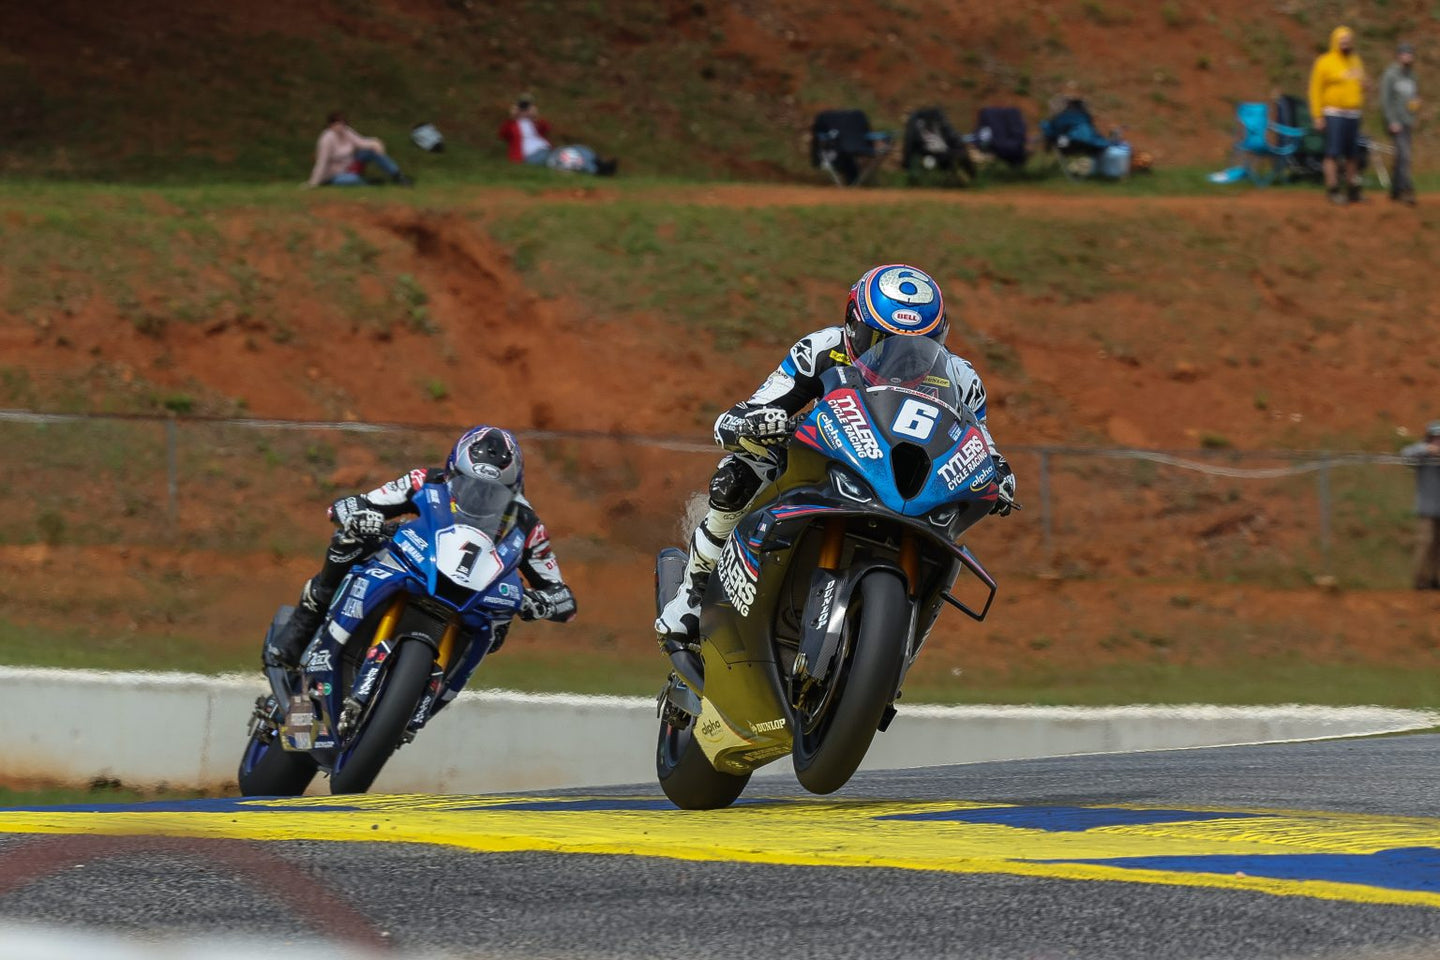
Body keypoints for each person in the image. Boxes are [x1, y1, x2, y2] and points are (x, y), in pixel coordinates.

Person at [654, 264, 1016, 652]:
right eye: (879, 340)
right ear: (852, 323)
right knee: (738, 474)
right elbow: (746, 411)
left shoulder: (962, 379)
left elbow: (982, 441)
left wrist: (1000, 473)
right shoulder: (820, 349)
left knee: (954, 534)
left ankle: (894, 651)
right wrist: (754, 422)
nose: (897, 357)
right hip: (831, 462)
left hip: (906, 481)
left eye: (917, 346)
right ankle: (695, 591)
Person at [264, 425, 577, 668]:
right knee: (350, 540)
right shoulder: (424, 480)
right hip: (420, 561)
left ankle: (430, 693)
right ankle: (304, 625)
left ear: (513, 491)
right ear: (452, 472)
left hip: (477, 593)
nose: (478, 497)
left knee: (499, 625)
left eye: (492, 493)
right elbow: (361, 503)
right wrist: (357, 514)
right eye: (469, 485)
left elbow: (562, 596)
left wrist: (540, 603)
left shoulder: (527, 524)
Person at [1309, 26, 1367, 205]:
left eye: (1348, 40)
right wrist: (1318, 116)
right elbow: (1315, 90)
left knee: (1352, 154)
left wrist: (1365, 87)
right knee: (1333, 153)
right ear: (1335, 42)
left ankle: (1352, 189)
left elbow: (1361, 82)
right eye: (1342, 41)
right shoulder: (1325, 62)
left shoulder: (1355, 61)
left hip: (1353, 113)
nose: (1346, 44)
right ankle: (1332, 189)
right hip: (1334, 113)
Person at [497, 95, 618, 176]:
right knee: (568, 156)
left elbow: (547, 128)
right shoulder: (512, 125)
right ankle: (597, 171)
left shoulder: (534, 123)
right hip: (532, 156)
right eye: (521, 108)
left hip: (547, 150)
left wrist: (534, 116)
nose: (523, 111)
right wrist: (512, 117)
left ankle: (600, 163)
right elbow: (503, 135)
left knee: (579, 148)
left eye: (526, 108)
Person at [305, 112, 413, 188]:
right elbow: (321, 162)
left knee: (371, 151)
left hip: (351, 165)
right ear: (330, 125)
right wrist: (313, 182)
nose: (340, 127)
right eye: (337, 124)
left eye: (342, 123)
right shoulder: (326, 139)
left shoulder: (347, 132)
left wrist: (375, 143)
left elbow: (361, 142)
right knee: (350, 180)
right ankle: (369, 182)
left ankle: (398, 176)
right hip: (334, 175)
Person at [1402, 421, 1440, 591]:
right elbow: (1405, 454)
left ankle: (1435, 579)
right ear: (1429, 439)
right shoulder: (1422, 454)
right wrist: (1426, 449)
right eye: (1435, 439)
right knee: (1425, 544)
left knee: (1437, 548)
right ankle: (1420, 580)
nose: (1438, 442)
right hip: (1427, 510)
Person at [1381, 42, 1421, 205]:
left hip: (1407, 121)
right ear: (1399, 56)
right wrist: (1391, 121)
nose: (1408, 57)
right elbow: (1385, 100)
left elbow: (1414, 98)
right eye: (1405, 54)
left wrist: (1415, 112)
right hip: (1396, 122)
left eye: (1410, 54)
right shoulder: (1391, 75)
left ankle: (1395, 191)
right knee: (1404, 155)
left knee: (1400, 157)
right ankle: (1406, 189)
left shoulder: (1412, 76)